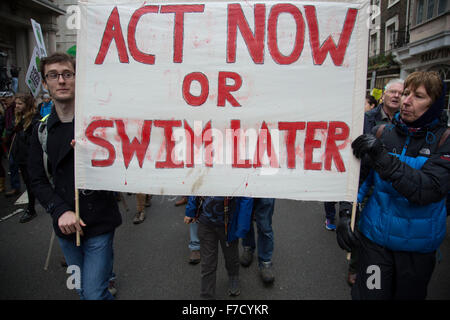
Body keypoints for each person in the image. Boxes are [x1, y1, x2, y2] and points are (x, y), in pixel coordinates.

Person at [338, 71, 449, 299]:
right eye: (406, 93)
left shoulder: (444, 142)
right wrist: (345, 213)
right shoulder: (382, 133)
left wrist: (383, 158)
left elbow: (426, 189)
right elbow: (359, 180)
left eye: (418, 96)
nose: (406, 101)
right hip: (375, 245)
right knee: (371, 294)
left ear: (435, 104)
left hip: (416, 253)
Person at [28, 53, 122, 300]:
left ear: (78, 79)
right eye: (53, 75)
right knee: (82, 290)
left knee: (93, 293)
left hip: (99, 221)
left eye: (67, 74)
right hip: (66, 227)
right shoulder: (41, 129)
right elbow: (37, 179)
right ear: (46, 83)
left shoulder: (102, 124)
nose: (61, 81)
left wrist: (99, 151)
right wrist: (60, 211)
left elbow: (127, 166)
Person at [184, 196, 253, 299]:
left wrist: (242, 225)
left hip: (229, 224)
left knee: (231, 256)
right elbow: (196, 186)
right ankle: (207, 294)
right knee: (208, 262)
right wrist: (191, 210)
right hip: (206, 222)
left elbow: (246, 196)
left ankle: (233, 277)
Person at [10, 93, 40, 222]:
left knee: (32, 183)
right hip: (21, 157)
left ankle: (31, 209)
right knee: (28, 183)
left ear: (27, 104)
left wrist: (20, 132)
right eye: (16, 103)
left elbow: (34, 140)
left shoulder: (35, 119)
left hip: (30, 157)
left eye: (20, 104)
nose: (17, 106)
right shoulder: (19, 117)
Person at [240, 198, 276, 284]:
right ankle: (248, 247)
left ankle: (265, 262)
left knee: (265, 226)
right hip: (246, 188)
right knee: (246, 218)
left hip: (266, 188)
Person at [3, 92, 21, 197]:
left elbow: (13, 124)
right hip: (10, 141)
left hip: (16, 140)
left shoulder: (15, 109)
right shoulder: (7, 110)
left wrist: (8, 134)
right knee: (12, 164)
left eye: (7, 99)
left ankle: (17, 187)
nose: (5, 101)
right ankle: (15, 186)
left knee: (14, 163)